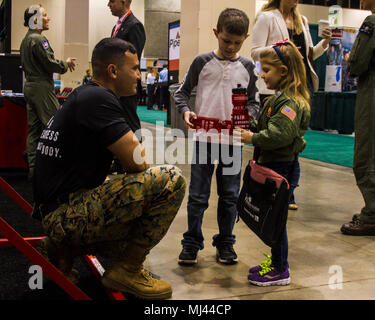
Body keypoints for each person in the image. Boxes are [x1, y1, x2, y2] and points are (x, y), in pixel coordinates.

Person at [32, 38, 186, 300]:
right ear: (113, 71)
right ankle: (127, 269)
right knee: (171, 180)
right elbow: (138, 162)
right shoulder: (99, 98)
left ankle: (63, 249)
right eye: (135, 68)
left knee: (129, 215)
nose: (140, 75)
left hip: (54, 209)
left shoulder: (84, 94)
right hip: (64, 213)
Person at [174, 8, 259, 265]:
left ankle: (225, 243)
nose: (231, 46)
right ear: (216, 33)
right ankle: (191, 243)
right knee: (198, 196)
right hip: (203, 141)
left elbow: (254, 103)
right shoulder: (201, 62)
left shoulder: (248, 67)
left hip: (232, 144)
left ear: (245, 37)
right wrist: (187, 112)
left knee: (230, 196)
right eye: (226, 40)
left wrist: (247, 119)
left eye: (237, 42)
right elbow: (181, 94)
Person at [237, 40, 311, 286]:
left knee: (276, 222)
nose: (262, 75)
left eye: (266, 70)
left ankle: (280, 269)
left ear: (284, 72)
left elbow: (280, 135)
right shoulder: (277, 99)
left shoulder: (290, 103)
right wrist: (249, 123)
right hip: (273, 165)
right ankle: (278, 261)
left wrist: (253, 137)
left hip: (281, 168)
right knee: (271, 218)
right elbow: (268, 125)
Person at [250, 0, 331, 211]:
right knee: (273, 140)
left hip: (299, 85)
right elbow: (255, 52)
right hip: (274, 88)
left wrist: (324, 43)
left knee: (293, 139)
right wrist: (283, 50)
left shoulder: (301, 20)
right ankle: (269, 186)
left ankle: (287, 190)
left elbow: (308, 55)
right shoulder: (267, 17)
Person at [20, 4, 76, 180]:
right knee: (55, 125)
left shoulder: (25, 40)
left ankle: (34, 168)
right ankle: (58, 169)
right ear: (35, 19)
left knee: (34, 129)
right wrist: (65, 64)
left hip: (30, 86)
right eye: (45, 15)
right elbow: (50, 63)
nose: (48, 18)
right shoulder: (39, 40)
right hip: (42, 88)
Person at [340, 0, 375, 236]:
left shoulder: (371, 22)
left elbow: (359, 62)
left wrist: (351, 57)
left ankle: (372, 214)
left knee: (367, 155)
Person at [108, 0, 146, 138]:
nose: (109, 4)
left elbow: (133, 59)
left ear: (123, 1)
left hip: (128, 85)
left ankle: (135, 157)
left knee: (131, 123)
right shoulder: (116, 27)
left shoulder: (134, 26)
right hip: (116, 85)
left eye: (112, 1)